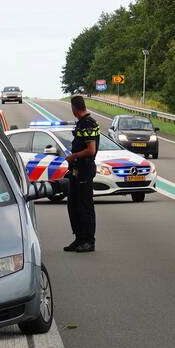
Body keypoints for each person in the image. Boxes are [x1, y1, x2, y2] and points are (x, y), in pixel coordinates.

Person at [63, 95, 99, 253]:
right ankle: (78, 238)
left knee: (85, 207)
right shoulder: (81, 123)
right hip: (76, 171)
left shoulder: (88, 124)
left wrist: (74, 156)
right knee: (74, 205)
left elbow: (91, 150)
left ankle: (88, 241)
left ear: (74, 108)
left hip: (85, 170)